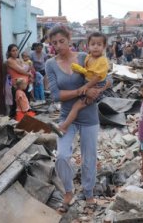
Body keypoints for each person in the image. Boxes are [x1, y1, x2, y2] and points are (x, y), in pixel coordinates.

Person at [45, 25, 104, 213]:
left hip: (88, 115)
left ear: (69, 40)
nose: (59, 46)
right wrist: (80, 91)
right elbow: (56, 94)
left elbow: (100, 80)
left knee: (89, 158)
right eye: (54, 43)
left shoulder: (83, 58)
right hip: (67, 117)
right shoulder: (50, 64)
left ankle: (88, 193)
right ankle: (68, 191)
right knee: (62, 156)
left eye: (62, 41)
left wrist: (94, 91)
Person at [51, 32, 109, 136]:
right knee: (62, 153)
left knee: (76, 106)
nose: (95, 47)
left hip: (95, 88)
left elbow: (100, 77)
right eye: (93, 44)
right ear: (88, 45)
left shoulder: (100, 60)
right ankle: (64, 126)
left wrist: (88, 88)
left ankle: (64, 127)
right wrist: (80, 70)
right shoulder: (89, 58)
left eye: (99, 45)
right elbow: (88, 72)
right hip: (67, 110)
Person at [6, 44, 32, 118]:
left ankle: (24, 120)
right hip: (17, 86)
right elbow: (22, 70)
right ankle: (12, 122)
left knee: (26, 103)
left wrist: (28, 72)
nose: (15, 52)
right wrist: (29, 73)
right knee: (16, 105)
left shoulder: (18, 59)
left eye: (16, 50)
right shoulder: (9, 61)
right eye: (13, 51)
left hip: (25, 84)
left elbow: (27, 67)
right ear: (9, 52)